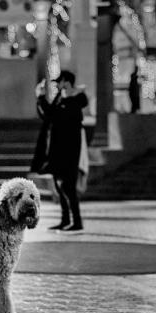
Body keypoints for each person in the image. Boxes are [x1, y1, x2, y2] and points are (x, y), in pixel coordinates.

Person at [35, 70, 88, 234]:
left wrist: (42, 98)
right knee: (60, 186)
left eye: (59, 81)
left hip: (69, 149)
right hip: (57, 148)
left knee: (67, 185)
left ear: (67, 81)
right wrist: (40, 99)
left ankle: (77, 223)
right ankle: (66, 220)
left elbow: (56, 115)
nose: (57, 84)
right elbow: (48, 115)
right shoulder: (61, 97)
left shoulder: (75, 99)